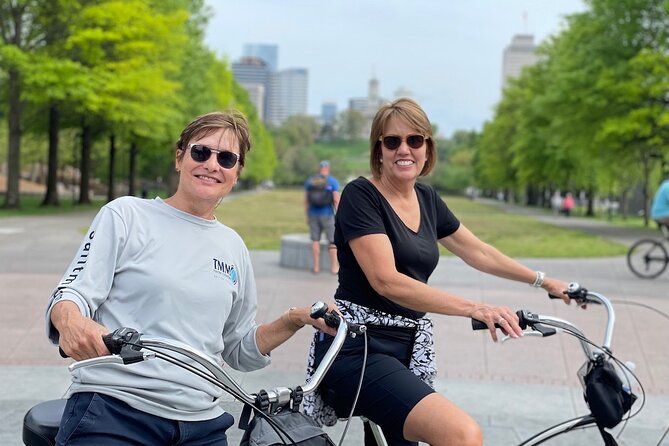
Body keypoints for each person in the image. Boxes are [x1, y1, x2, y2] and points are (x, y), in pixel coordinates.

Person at [45, 111, 335, 445]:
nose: (213, 164)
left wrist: (294, 319)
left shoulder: (234, 248)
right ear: (179, 157)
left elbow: (239, 349)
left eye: (226, 158)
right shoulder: (125, 215)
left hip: (203, 424)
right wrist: (71, 322)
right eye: (202, 152)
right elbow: (73, 293)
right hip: (115, 409)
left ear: (237, 173)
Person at [303, 98, 571, 446]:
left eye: (415, 140)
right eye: (392, 141)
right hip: (359, 346)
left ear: (428, 149)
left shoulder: (427, 199)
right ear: (378, 150)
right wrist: (474, 308)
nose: (404, 149)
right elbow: (386, 281)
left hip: (407, 348)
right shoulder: (361, 195)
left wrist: (545, 281)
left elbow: (478, 251)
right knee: (462, 435)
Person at [305, 160, 340, 274]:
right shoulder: (332, 181)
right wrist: (338, 214)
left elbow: (307, 200)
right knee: (332, 241)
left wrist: (307, 214)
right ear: (328, 169)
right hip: (327, 214)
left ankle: (316, 267)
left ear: (319, 168)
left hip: (313, 214)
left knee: (315, 240)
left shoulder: (311, 181)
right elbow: (335, 199)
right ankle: (334, 267)